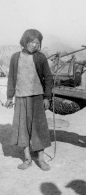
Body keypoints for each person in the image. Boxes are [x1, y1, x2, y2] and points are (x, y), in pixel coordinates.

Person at [5, 29, 53, 171]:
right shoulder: (15, 57)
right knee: (22, 129)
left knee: (39, 129)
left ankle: (41, 160)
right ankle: (27, 159)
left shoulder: (40, 57)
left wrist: (47, 97)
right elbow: (11, 78)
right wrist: (9, 97)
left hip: (37, 98)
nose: (34, 45)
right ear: (25, 42)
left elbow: (48, 78)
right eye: (31, 42)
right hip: (20, 98)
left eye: (37, 43)